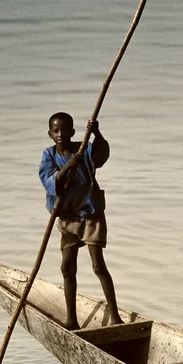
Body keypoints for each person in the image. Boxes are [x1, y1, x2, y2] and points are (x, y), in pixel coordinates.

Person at [39, 111, 123, 330]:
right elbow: (52, 182)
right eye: (56, 131)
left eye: (65, 130)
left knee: (98, 266)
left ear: (73, 132)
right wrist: (69, 164)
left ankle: (115, 316)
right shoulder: (48, 155)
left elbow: (101, 156)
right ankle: (72, 320)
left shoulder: (83, 148)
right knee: (67, 268)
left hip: (91, 215)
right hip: (68, 219)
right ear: (50, 134)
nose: (61, 134)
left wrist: (96, 133)